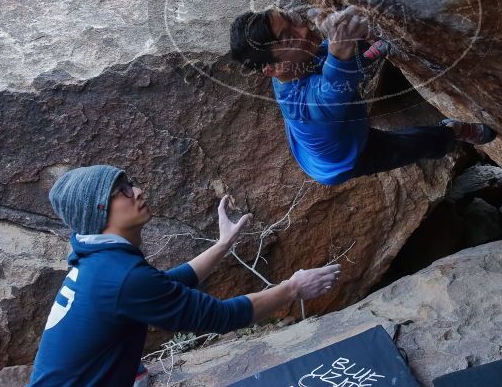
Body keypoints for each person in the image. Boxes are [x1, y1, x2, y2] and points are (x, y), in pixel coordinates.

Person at [28, 165, 340, 386]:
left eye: (131, 182)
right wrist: (293, 288)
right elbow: (218, 316)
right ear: (98, 210)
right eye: (122, 191)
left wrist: (222, 245)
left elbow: (165, 287)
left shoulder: (98, 262)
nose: (137, 191)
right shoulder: (120, 275)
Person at [229, 5, 497, 186]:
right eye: (288, 38)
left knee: (333, 57)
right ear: (273, 68)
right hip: (345, 159)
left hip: (327, 137)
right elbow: (333, 90)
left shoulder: (298, 61)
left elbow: (330, 58)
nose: (303, 30)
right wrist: (342, 47)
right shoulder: (306, 107)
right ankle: (452, 132)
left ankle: (366, 56)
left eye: (293, 20)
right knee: (412, 145)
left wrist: (350, 39)